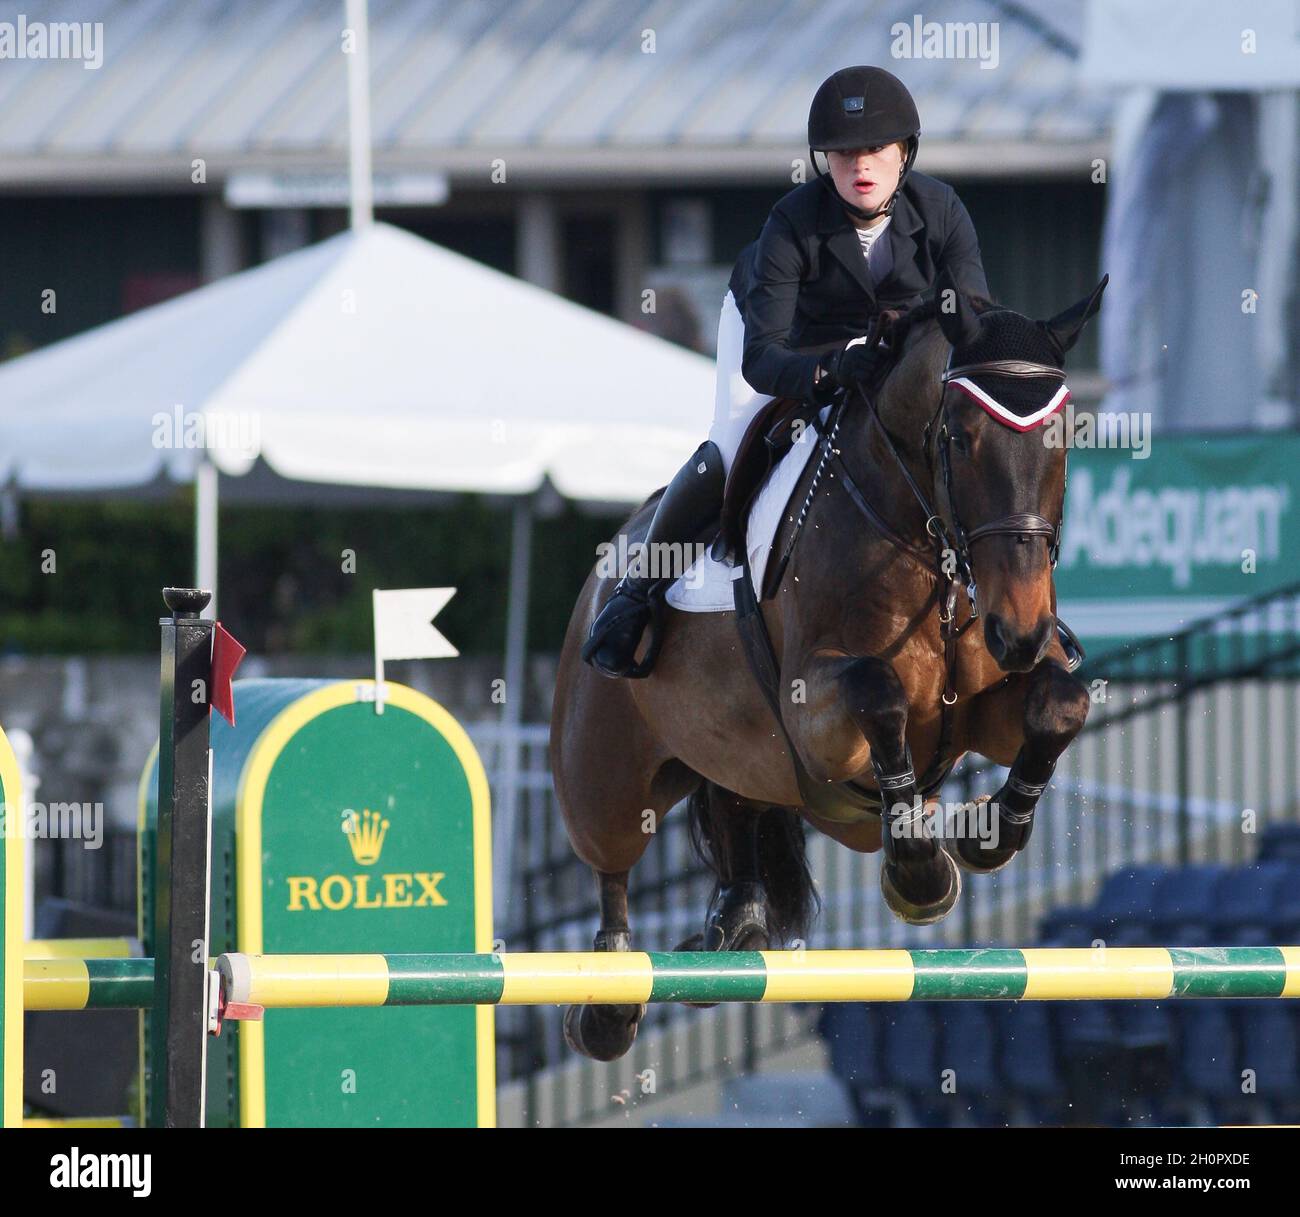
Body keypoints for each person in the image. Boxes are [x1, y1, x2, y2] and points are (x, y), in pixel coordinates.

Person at [583, 65, 990, 679]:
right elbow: (763, 357)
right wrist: (832, 372)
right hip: (786, 339)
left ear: (905, 152)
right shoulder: (792, 222)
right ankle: (632, 599)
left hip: (888, 349)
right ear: (823, 158)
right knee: (729, 446)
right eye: (845, 151)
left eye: (876, 149)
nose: (861, 165)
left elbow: (973, 324)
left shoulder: (941, 211)